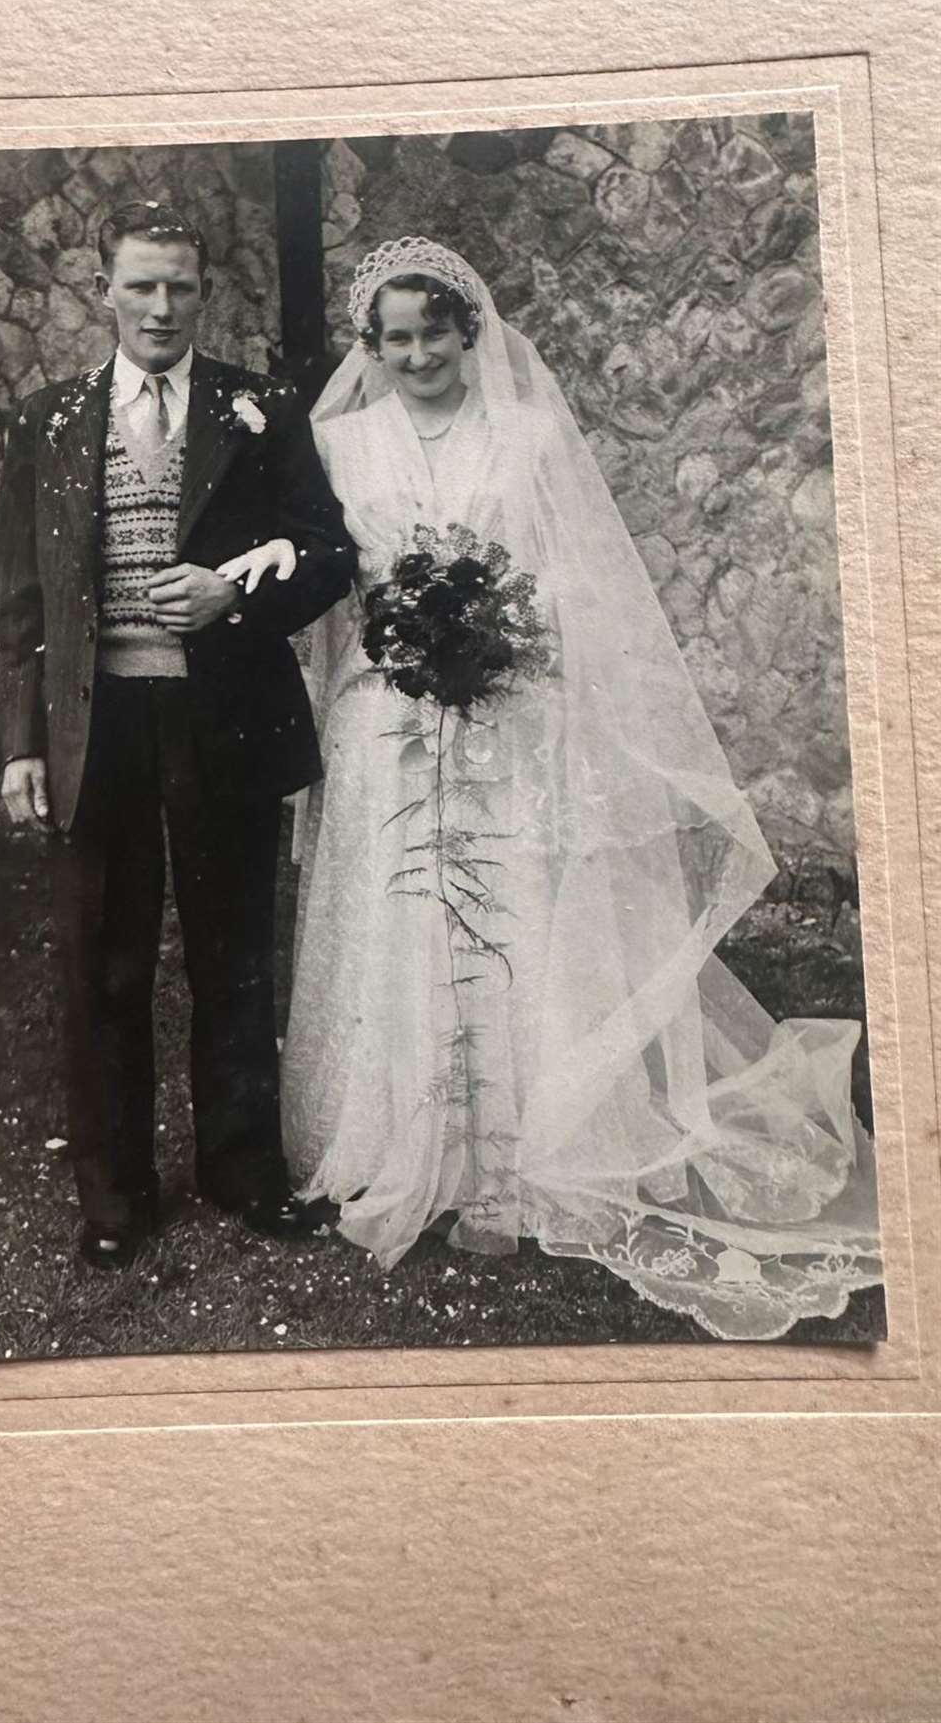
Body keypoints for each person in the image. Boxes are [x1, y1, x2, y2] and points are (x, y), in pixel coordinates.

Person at [270, 236, 881, 1340]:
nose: (418, 354)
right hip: (389, 716)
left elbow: (569, 573)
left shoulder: (529, 431)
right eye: (396, 339)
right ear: (373, 347)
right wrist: (400, 637)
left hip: (506, 705)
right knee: (400, 913)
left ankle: (524, 1158)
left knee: (517, 910)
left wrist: (495, 638)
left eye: (436, 332)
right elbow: (333, 584)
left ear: (471, 330)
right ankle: (416, 1149)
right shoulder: (340, 443)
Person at [0, 200, 355, 1268]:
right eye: (141, 285)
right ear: (102, 290)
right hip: (95, 729)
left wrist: (234, 593)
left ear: (204, 294)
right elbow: (18, 602)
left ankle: (241, 1171)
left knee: (231, 952)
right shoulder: (48, 422)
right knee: (102, 961)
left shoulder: (260, 409)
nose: (161, 307)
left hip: (222, 720)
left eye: (180, 287)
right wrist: (22, 742)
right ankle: (116, 1197)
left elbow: (328, 552)